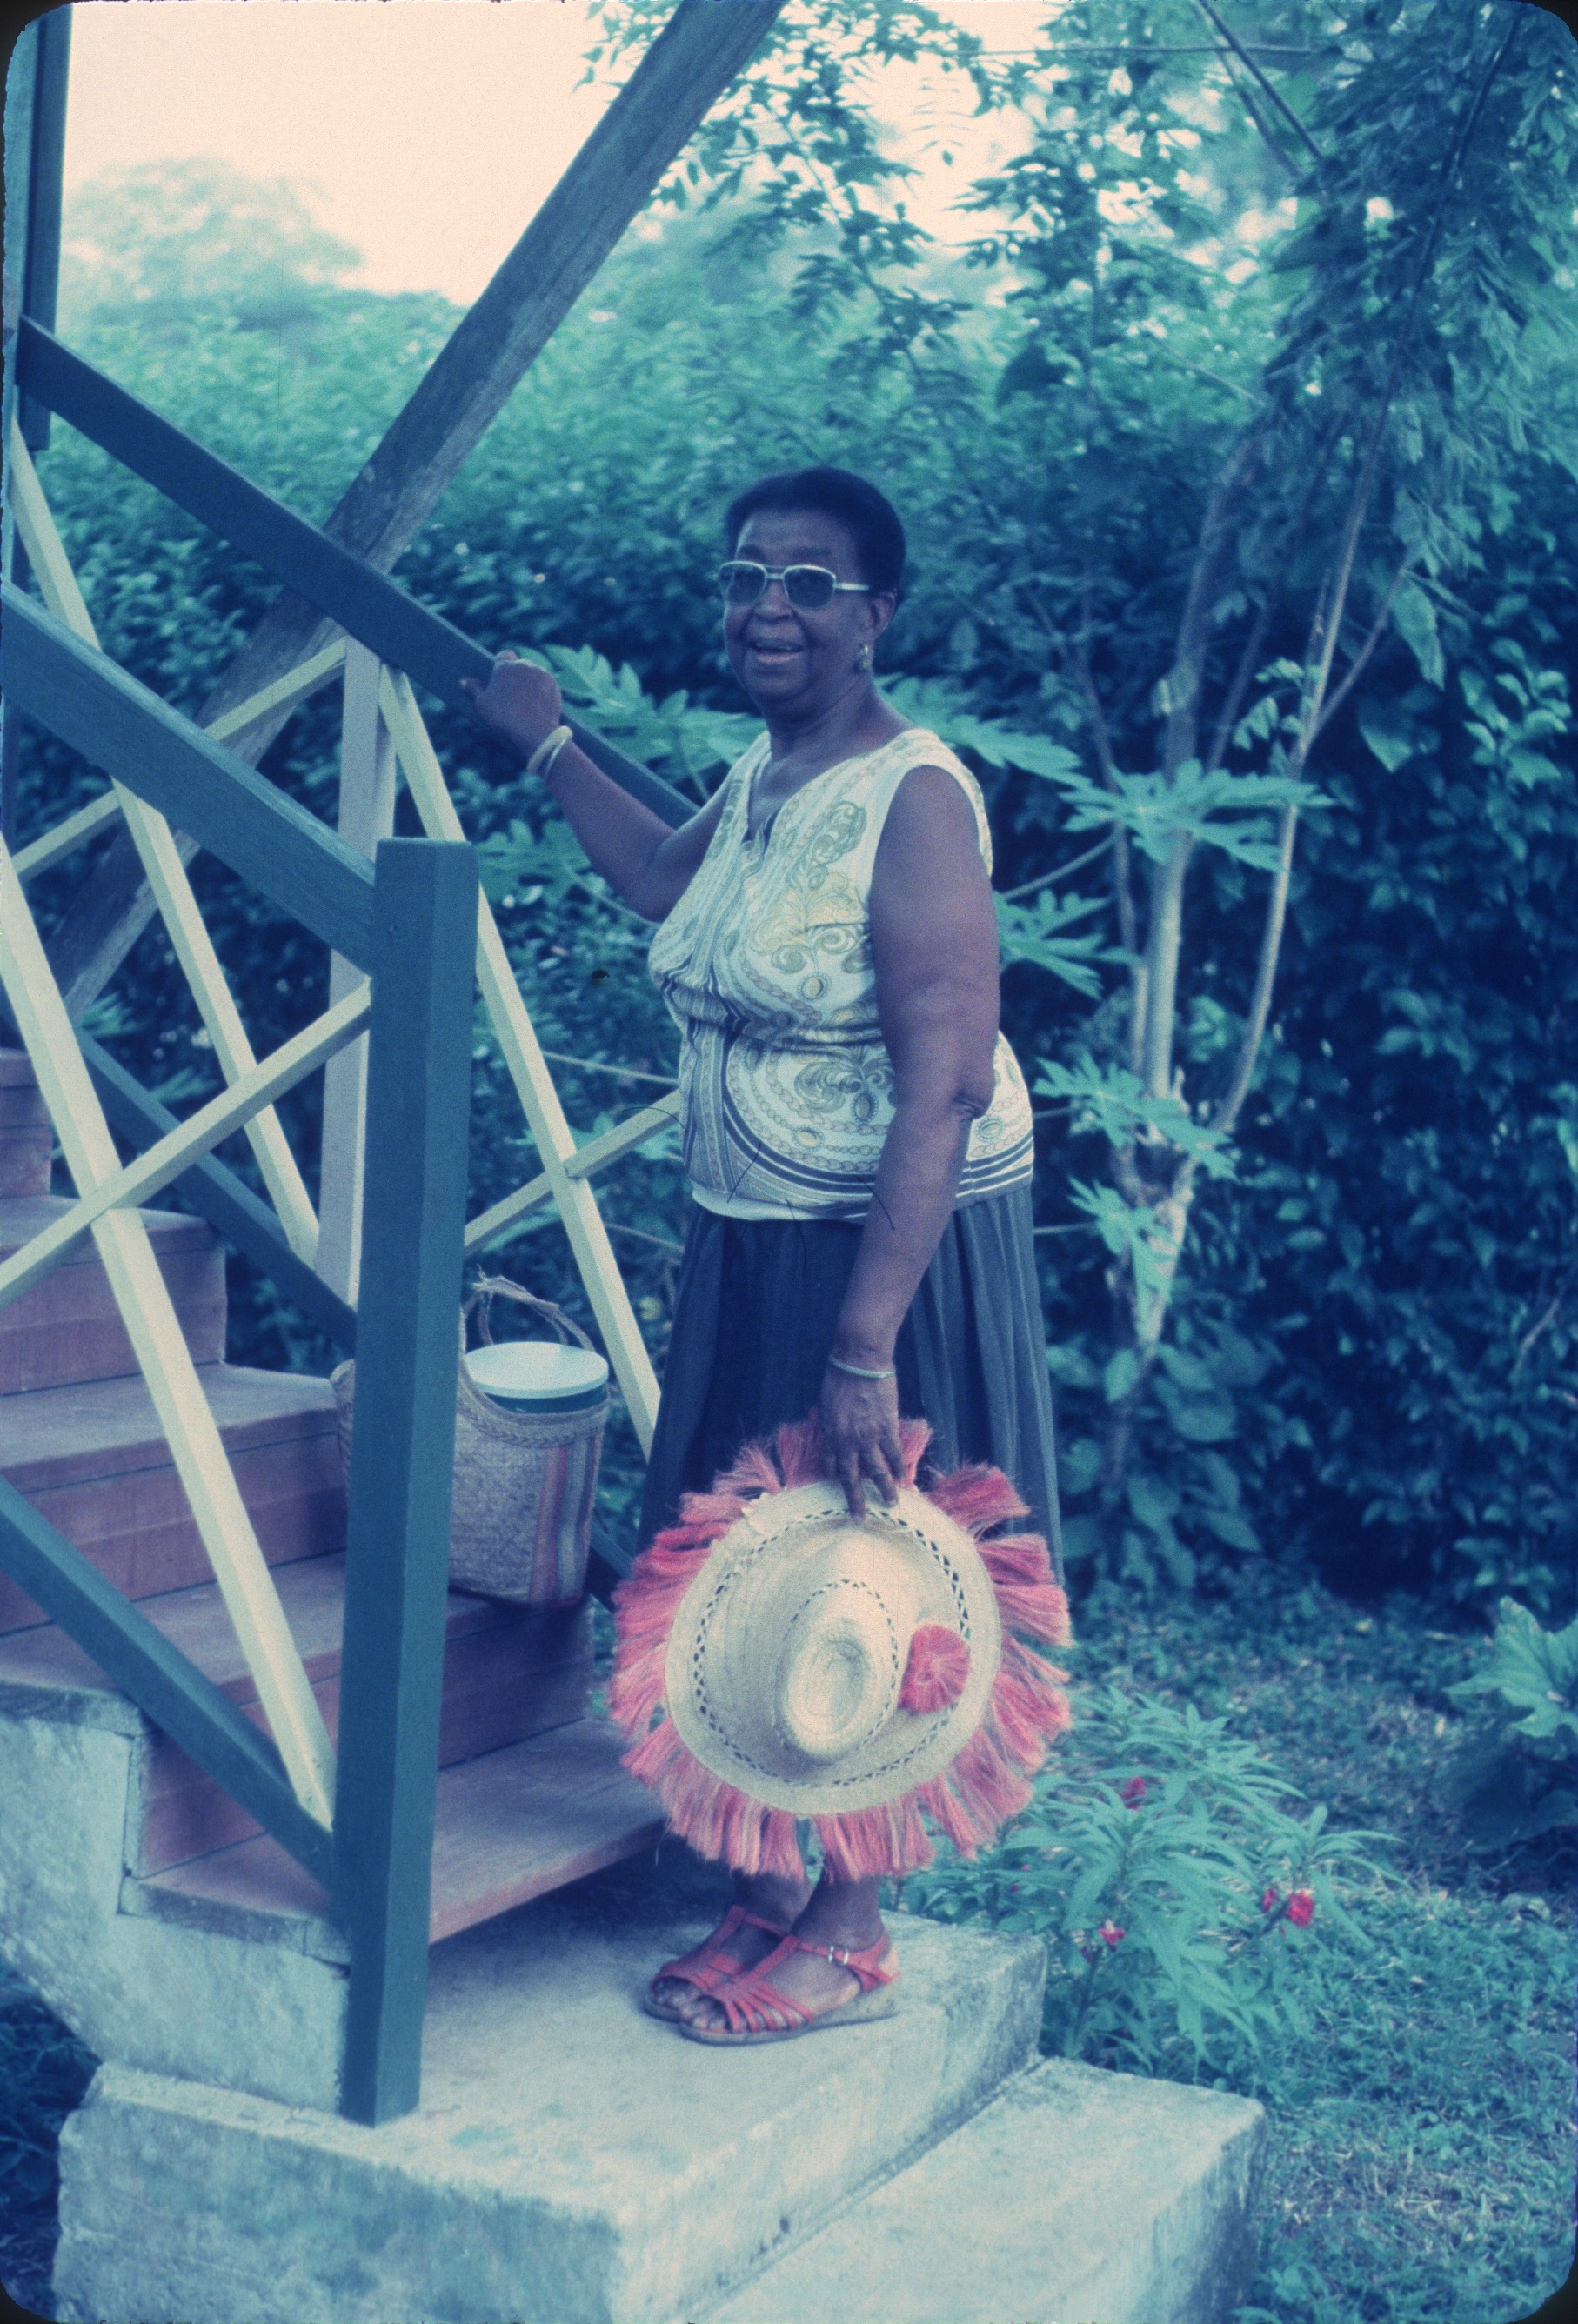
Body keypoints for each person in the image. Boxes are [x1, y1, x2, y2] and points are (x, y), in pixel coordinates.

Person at [460, 465, 1060, 2038]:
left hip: (879, 1253)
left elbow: (941, 1072)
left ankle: (852, 1927)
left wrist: (866, 1343)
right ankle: (774, 1881)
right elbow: (667, 881)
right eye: (745, 578)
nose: (767, 609)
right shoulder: (767, 774)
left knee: (869, 1559)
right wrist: (555, 747)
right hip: (750, 1231)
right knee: (760, 1565)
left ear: (876, 619)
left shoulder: (910, 794)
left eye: (807, 585)